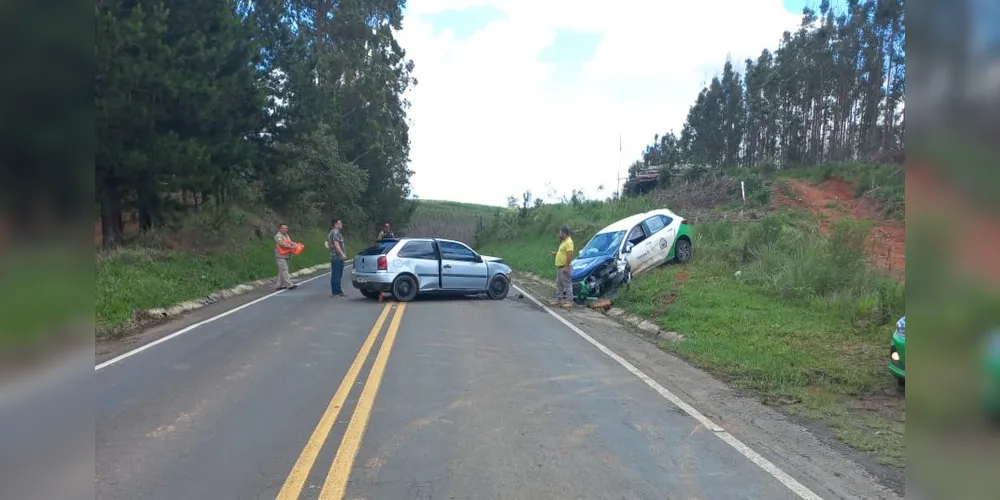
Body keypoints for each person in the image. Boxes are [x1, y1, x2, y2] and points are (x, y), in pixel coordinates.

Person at [549, 226, 574, 307]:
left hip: (564, 266)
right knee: (559, 284)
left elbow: (570, 254)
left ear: (564, 233)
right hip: (560, 267)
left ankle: (569, 301)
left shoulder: (569, 242)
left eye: (560, 233)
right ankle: (559, 301)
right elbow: (563, 253)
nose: (559, 234)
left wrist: (567, 267)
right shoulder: (563, 242)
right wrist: (555, 253)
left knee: (567, 284)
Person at [327, 218, 348, 297]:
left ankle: (335, 291)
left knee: (334, 274)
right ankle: (338, 291)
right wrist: (342, 254)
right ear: (335, 224)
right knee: (338, 274)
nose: (341, 224)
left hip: (333, 256)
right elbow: (336, 244)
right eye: (339, 223)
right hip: (337, 257)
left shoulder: (331, 232)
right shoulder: (336, 233)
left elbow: (326, 243)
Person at [274, 223, 299, 290]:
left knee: (282, 270)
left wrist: (295, 244)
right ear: (280, 229)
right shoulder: (278, 236)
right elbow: (282, 244)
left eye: (286, 228)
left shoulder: (286, 235)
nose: (285, 229)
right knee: (285, 270)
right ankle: (289, 284)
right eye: (283, 228)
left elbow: (289, 242)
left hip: (287, 254)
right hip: (280, 255)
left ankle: (278, 285)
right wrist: (292, 247)